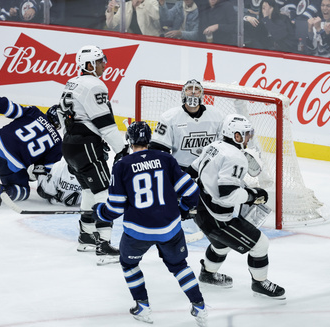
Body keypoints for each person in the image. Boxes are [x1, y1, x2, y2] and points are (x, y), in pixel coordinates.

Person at [92, 121, 208, 326]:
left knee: (129, 264)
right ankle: (199, 307)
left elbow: (115, 209)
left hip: (138, 232)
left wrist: (100, 212)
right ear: (149, 139)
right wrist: (181, 211)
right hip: (170, 229)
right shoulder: (165, 159)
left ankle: (143, 306)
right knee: (179, 265)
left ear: (129, 140)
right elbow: (192, 192)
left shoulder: (121, 166)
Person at [187, 114, 286, 299]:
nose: (248, 138)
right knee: (260, 244)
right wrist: (253, 195)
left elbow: (191, 171)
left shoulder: (213, 146)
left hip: (200, 209)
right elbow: (227, 194)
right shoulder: (235, 156)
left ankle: (207, 274)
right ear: (236, 136)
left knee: (221, 245)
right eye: (246, 134)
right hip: (218, 218)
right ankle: (260, 283)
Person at [58, 45, 127, 265]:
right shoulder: (95, 85)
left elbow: (62, 116)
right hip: (86, 145)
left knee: (88, 189)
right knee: (104, 193)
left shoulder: (72, 82)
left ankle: (86, 236)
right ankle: (104, 245)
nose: (104, 64)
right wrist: (123, 150)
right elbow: (105, 124)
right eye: (100, 61)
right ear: (89, 65)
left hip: (70, 144)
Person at [149, 79, 224, 171]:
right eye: (189, 89)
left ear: (201, 94)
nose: (193, 92)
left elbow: (224, 145)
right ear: (183, 93)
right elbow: (158, 148)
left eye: (197, 89)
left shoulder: (216, 115)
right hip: (181, 169)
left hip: (209, 169)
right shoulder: (169, 117)